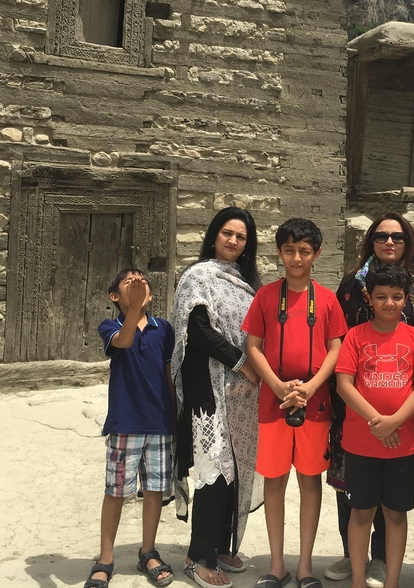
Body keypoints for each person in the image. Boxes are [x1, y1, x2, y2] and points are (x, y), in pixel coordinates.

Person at [326, 213, 414, 588]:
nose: (389, 242)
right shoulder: (352, 293)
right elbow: (343, 369)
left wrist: (396, 421)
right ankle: (354, 564)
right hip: (358, 424)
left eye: (398, 236)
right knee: (357, 503)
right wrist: (377, 421)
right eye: (382, 235)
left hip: (403, 429)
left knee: (395, 511)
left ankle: (386, 569)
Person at [243, 218, 349, 588]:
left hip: (315, 403)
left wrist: (311, 386)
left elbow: (336, 347)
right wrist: (275, 385)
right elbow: (252, 346)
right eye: (289, 250)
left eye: (305, 251)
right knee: (274, 482)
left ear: (317, 254)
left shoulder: (328, 299)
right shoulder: (266, 296)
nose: (297, 258)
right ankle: (276, 565)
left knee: (309, 481)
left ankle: (304, 565)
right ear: (279, 252)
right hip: (273, 403)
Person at [170, 207, 263, 588]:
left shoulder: (246, 282)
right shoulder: (198, 276)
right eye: (227, 233)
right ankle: (197, 556)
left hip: (243, 392)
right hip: (208, 387)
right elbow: (199, 330)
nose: (233, 241)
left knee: (236, 468)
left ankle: (220, 546)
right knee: (215, 469)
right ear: (214, 235)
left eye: (241, 237)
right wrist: (243, 362)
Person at [87, 269, 176, 588]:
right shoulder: (110, 326)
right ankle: (106, 558)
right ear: (115, 297)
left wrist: (174, 416)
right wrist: (134, 309)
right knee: (116, 492)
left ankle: (148, 551)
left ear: (151, 296)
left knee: (154, 490)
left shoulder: (163, 328)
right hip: (126, 423)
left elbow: (168, 371)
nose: (138, 285)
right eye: (129, 283)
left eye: (143, 283)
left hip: (159, 423)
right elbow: (123, 342)